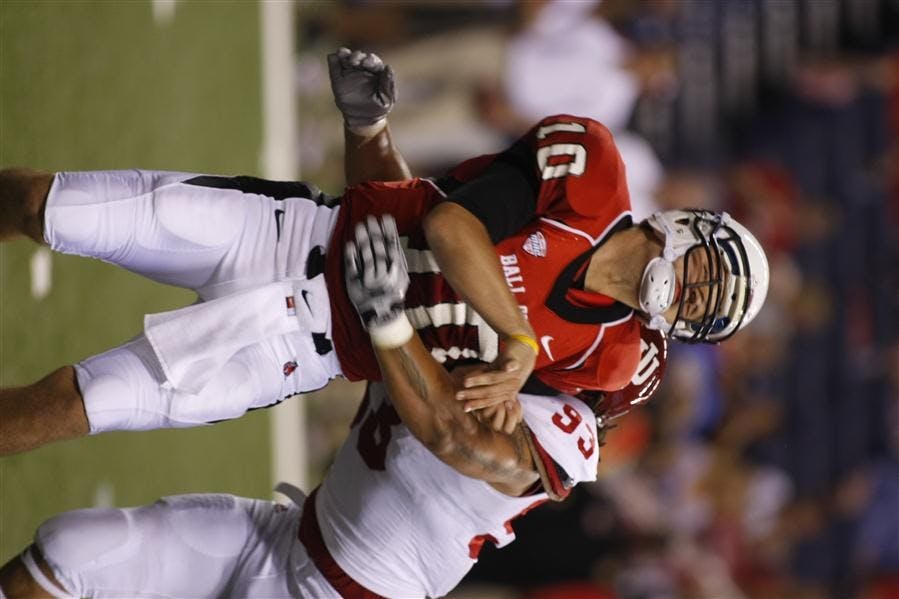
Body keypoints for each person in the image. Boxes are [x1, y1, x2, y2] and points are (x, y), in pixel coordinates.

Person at [0, 48, 768, 456]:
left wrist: (494, 409)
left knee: (68, 406)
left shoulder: (617, 365)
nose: (692, 291)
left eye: (706, 306)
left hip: (305, 348)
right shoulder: (592, 171)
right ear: (691, 224)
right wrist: (520, 339)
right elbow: (445, 226)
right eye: (707, 271)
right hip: (295, 233)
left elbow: (493, 454)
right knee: (43, 204)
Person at [0, 215, 668, 598]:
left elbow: (462, 442)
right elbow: (395, 224)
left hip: (340, 591)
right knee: (73, 550)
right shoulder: (492, 332)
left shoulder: (566, 426)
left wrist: (388, 324)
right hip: (287, 535)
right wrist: (368, 130)